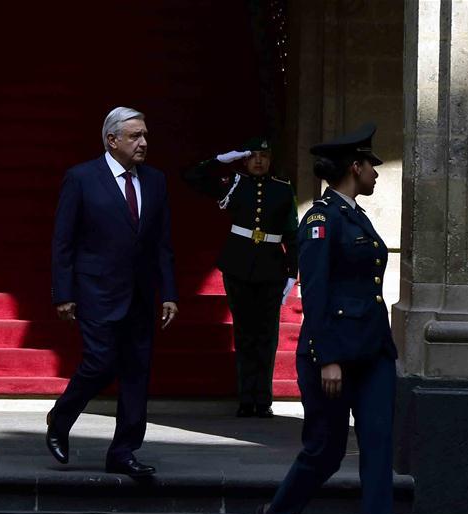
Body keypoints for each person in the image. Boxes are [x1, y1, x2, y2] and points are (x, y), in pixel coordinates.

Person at [253, 123, 414, 514]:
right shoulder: (320, 220)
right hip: (333, 355)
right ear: (354, 168)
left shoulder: (356, 216)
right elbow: (317, 292)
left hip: (373, 352)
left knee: (378, 450)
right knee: (325, 451)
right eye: (371, 166)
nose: (377, 174)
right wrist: (327, 357)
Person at [46, 106, 178, 477]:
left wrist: (169, 292)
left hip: (141, 294)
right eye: (135, 136)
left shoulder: (155, 181)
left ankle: (124, 451)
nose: (143, 142)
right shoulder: (82, 178)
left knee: (137, 371)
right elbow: (63, 241)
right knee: (100, 363)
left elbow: (162, 243)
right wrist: (63, 293)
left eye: (145, 135)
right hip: (96, 291)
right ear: (112, 140)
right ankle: (61, 418)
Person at [184, 138, 298, 418]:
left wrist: (292, 272)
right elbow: (192, 177)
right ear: (245, 160)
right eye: (253, 155)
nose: (258, 160)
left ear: (271, 159)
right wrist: (220, 160)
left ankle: (264, 399)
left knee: (266, 335)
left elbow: (292, 233)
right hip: (238, 266)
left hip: (271, 268)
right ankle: (246, 398)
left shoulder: (282, 189)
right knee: (244, 333)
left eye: (264, 155)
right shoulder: (234, 184)